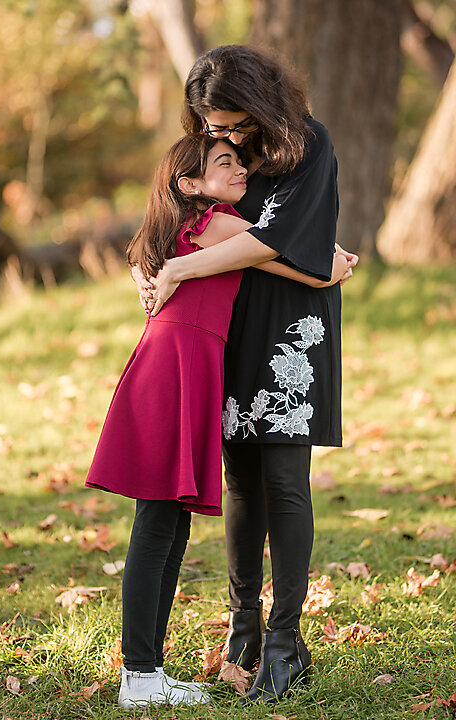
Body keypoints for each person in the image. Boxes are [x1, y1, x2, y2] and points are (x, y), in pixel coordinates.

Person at [86, 133, 351, 710]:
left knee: (168, 526)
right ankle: (139, 675)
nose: (239, 171)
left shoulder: (176, 225)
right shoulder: (219, 224)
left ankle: (148, 671)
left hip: (180, 366)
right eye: (224, 163)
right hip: (177, 370)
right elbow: (312, 266)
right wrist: (340, 263)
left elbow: (141, 253)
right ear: (190, 185)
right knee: (156, 527)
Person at [138, 45, 358, 705]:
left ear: (259, 104)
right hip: (228, 322)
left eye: (236, 123)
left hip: (292, 328)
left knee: (286, 479)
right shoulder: (214, 155)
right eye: (215, 128)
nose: (227, 137)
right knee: (240, 480)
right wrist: (173, 260)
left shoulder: (305, 145)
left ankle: (286, 642)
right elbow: (186, 224)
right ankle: (245, 633)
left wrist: (198, 260)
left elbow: (270, 238)